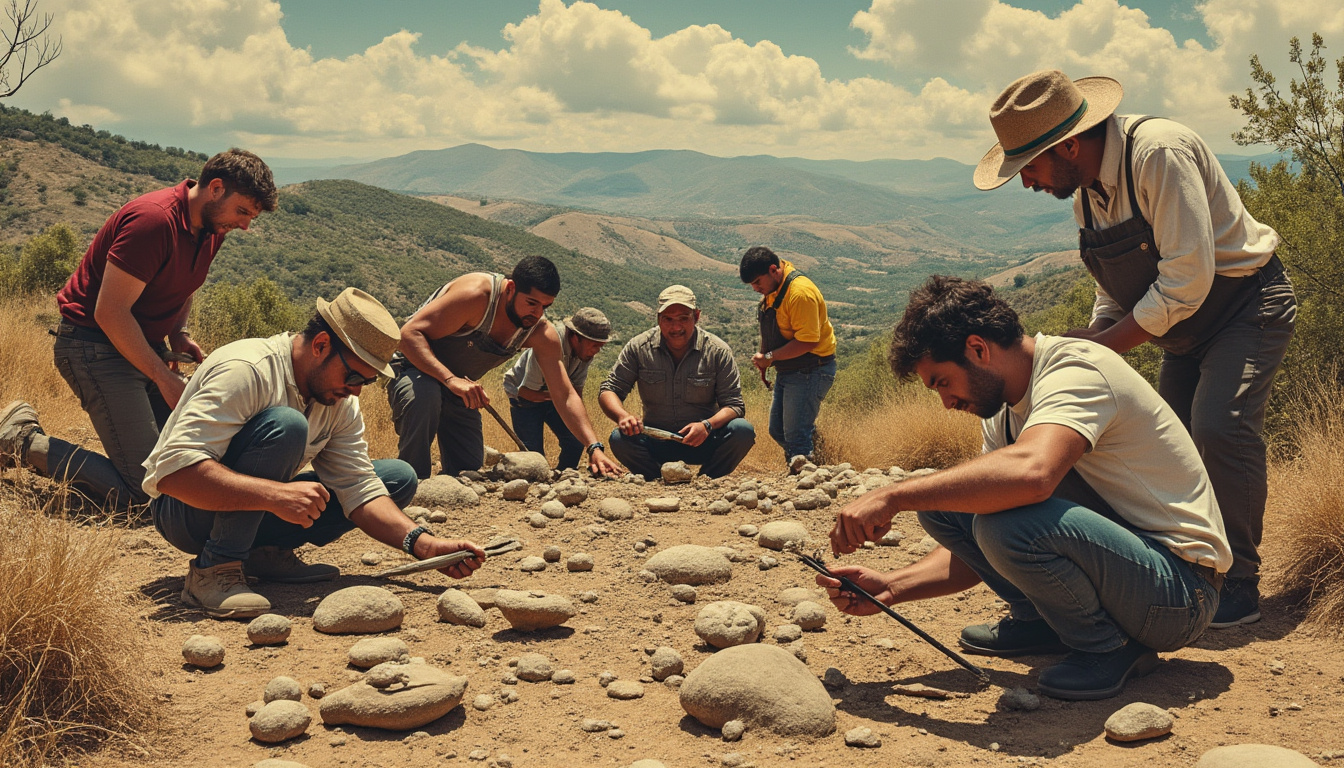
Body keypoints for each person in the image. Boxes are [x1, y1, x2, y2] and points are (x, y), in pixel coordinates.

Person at [974, 70, 1295, 628]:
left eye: (1028, 167)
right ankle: (1188, 570)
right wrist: (1094, 338)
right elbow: (1114, 287)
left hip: (1246, 307)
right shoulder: (1087, 197)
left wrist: (1099, 349)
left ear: (1068, 145)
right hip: (1181, 329)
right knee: (1177, 448)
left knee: (1220, 427)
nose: (1027, 182)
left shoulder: (1158, 154)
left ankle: (1239, 582)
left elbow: (1187, 279)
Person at [821, 276, 1229, 701]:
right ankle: (1041, 622)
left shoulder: (1076, 369)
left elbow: (1033, 476)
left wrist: (893, 495)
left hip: (1181, 592)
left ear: (977, 349)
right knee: (946, 507)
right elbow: (978, 544)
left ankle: (1106, 648)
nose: (945, 402)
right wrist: (894, 586)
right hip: (1136, 573)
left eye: (942, 381)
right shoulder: (1003, 412)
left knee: (1000, 522)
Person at [142, 288, 486, 618]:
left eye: (364, 383)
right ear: (321, 345)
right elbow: (173, 474)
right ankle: (216, 568)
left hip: (246, 507)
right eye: (353, 376)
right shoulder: (247, 370)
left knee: (396, 479)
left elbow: (358, 487)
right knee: (287, 426)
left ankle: (260, 554)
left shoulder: (337, 399)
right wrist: (275, 495)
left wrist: (425, 546)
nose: (355, 392)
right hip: (184, 513)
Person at [0, 149, 277, 510]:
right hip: (93, 348)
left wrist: (179, 333)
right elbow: (110, 313)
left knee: (184, 467)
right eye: (242, 212)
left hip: (140, 348)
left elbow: (186, 283)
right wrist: (163, 377)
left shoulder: (211, 227)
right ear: (215, 188)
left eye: (251, 217)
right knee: (148, 491)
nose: (244, 225)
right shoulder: (154, 221)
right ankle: (21, 440)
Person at [387, 256, 619, 479]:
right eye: (531, 303)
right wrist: (449, 379)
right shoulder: (475, 296)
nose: (537, 313)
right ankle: (412, 484)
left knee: (468, 468)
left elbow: (565, 394)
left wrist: (593, 447)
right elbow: (408, 334)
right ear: (510, 288)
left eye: (545, 307)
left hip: (460, 389)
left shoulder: (540, 332)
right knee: (426, 396)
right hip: (414, 369)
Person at [598, 285, 755, 480]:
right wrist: (622, 416)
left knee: (742, 431)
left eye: (683, 318)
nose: (676, 327)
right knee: (619, 438)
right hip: (655, 441)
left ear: (696, 317)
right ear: (658, 319)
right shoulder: (638, 347)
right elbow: (609, 389)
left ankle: (707, 481)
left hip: (703, 441)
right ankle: (655, 479)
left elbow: (734, 405)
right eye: (668, 319)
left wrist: (706, 426)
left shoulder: (717, 351)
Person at [739, 246, 837, 468]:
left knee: (795, 436)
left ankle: (806, 483)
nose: (755, 288)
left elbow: (809, 341)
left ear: (773, 269)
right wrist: (765, 358)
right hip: (790, 369)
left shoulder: (799, 293)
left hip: (812, 370)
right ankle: (817, 453)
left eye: (757, 282)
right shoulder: (773, 287)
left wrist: (771, 357)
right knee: (778, 430)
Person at [503, 307, 615, 471]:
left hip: (553, 395)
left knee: (576, 442)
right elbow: (526, 392)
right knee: (534, 456)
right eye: (594, 345)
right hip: (524, 398)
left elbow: (575, 394)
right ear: (576, 338)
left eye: (600, 346)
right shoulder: (547, 344)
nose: (597, 351)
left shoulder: (586, 352)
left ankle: (562, 477)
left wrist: (591, 443)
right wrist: (561, 395)